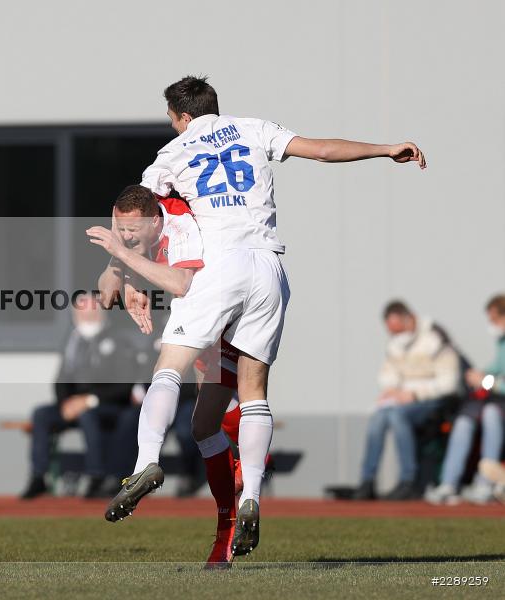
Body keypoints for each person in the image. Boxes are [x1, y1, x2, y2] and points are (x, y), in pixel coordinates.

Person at [88, 75, 425, 556]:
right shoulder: (253, 128)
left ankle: (146, 461)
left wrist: (121, 272)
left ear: (179, 116)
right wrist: (385, 149)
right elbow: (323, 150)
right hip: (268, 268)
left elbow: (135, 219)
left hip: (216, 269)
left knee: (168, 368)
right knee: (253, 394)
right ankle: (250, 498)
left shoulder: (172, 154)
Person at [89, 184, 244, 567]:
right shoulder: (137, 230)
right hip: (197, 318)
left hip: (227, 308)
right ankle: (230, 519)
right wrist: (119, 267)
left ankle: (245, 472)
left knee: (231, 404)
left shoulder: (178, 221)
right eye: (119, 227)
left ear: (154, 221)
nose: (125, 236)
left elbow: (179, 283)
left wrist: (124, 257)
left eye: (132, 230)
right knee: (206, 425)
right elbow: (104, 296)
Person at [19, 293, 139, 500]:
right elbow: (62, 378)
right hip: (74, 406)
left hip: (108, 406)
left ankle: (96, 476)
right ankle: (39, 476)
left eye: (91, 311)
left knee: (88, 415)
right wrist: (65, 403)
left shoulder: (119, 341)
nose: (86, 317)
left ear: (101, 312)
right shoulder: (73, 342)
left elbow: (124, 386)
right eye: (81, 312)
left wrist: (89, 400)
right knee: (41, 414)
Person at [352, 301, 460, 500]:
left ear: (409, 319)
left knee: (395, 415)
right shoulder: (395, 344)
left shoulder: (435, 338)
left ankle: (408, 480)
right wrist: (391, 389)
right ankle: (367, 480)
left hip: (433, 401)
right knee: (378, 416)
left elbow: (449, 383)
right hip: (401, 401)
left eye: (399, 329)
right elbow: (388, 374)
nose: (396, 335)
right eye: (392, 331)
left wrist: (415, 394)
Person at [427, 294, 505, 504]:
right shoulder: (501, 342)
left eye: (494, 320)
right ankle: (448, 483)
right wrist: (478, 375)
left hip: (499, 404)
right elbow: (496, 370)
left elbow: (497, 381)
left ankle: (486, 482)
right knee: (463, 420)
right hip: (496, 399)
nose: (492, 325)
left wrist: (486, 381)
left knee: (490, 414)